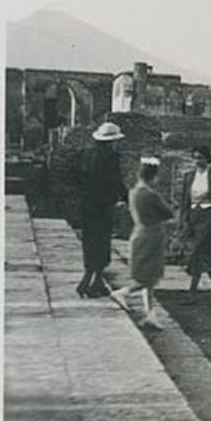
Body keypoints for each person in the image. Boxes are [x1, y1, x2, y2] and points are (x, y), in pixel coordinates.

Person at [110, 158, 173, 329]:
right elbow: (168, 213)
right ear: (153, 176)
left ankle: (149, 313)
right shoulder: (150, 194)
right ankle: (122, 293)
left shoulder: (134, 192)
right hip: (151, 235)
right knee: (148, 277)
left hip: (139, 232)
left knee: (147, 276)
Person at [75, 122, 129, 298]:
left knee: (90, 241)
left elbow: (78, 177)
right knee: (102, 241)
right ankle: (91, 281)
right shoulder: (111, 156)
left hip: (86, 203)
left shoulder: (86, 154)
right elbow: (115, 180)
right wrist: (127, 198)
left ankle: (92, 280)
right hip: (103, 205)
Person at [179, 145, 211, 305]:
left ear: (207, 159)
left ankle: (192, 292)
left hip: (210, 217)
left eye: (200, 158)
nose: (197, 161)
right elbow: (185, 200)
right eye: (194, 158)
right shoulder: (189, 176)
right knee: (204, 255)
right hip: (194, 216)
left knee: (198, 251)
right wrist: (184, 220)